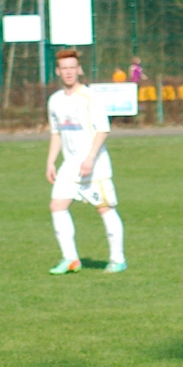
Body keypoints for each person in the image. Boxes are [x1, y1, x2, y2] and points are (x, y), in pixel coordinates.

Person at [45, 48, 126, 275]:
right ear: (58, 71)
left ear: (79, 69)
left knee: (104, 209)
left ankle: (118, 259)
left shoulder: (90, 98)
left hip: (94, 165)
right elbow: (56, 133)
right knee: (57, 206)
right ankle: (70, 259)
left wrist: (90, 158)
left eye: (72, 67)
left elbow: (103, 129)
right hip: (70, 166)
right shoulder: (55, 101)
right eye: (64, 68)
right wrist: (50, 162)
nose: (69, 72)